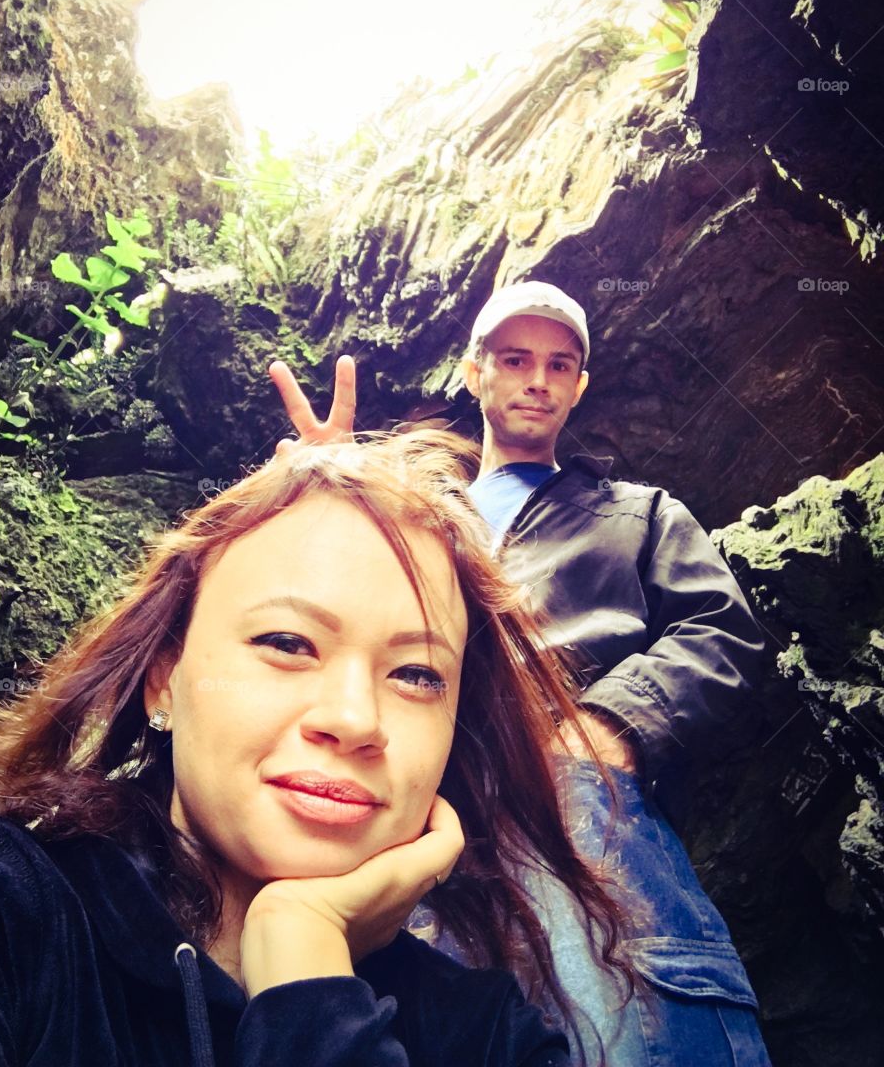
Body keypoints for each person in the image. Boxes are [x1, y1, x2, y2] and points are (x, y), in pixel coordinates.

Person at [0, 429, 638, 1066]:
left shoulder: (488, 1036)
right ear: (163, 679)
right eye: (287, 643)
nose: (355, 719)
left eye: (417, 675)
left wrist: (306, 967)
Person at [269, 280, 774, 1067]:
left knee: (627, 1028)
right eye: (515, 359)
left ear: (579, 386)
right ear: (475, 374)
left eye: (558, 364)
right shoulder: (419, 520)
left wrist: (607, 724)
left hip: (575, 791)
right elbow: (313, 625)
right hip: (418, 797)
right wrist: (322, 499)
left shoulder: (637, 512)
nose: (537, 379)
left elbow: (723, 629)